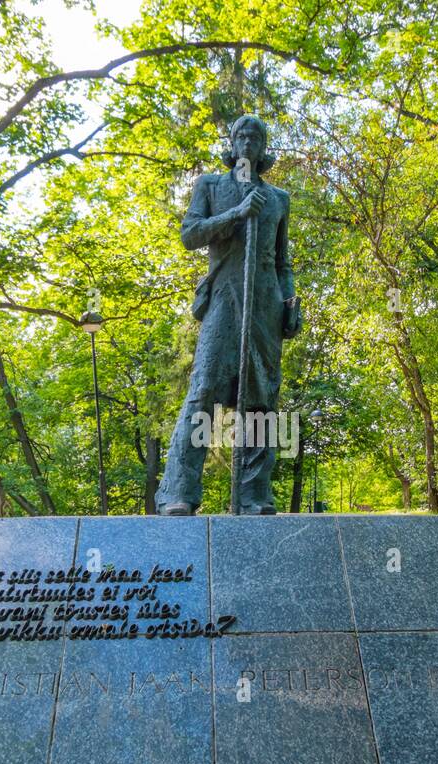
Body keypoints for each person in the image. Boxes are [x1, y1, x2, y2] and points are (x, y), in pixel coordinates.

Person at [156, 115, 301, 516]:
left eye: (257, 136)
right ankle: (178, 492)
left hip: (265, 307)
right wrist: (236, 214)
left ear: (264, 146)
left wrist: (289, 301)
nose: (249, 141)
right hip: (224, 299)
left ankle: (255, 495)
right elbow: (190, 235)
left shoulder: (279, 199)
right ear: (233, 144)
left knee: (260, 400)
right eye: (242, 135)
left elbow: (282, 262)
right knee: (203, 389)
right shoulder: (211, 186)